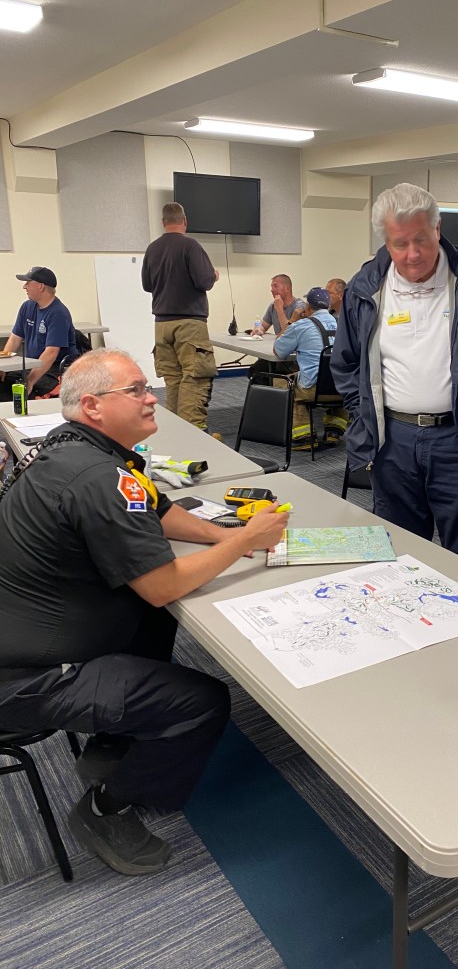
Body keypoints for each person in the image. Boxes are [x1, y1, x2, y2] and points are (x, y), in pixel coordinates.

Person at [0, 349, 289, 876]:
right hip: (25, 679)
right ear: (93, 406)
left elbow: (159, 510)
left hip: (29, 632)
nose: (150, 397)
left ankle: (118, 736)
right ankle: (106, 810)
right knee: (202, 701)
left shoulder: (75, 449)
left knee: (153, 618)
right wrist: (245, 539)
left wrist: (221, 536)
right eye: (134, 390)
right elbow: (162, 585)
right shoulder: (98, 477)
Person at [332, 182, 458, 569]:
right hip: (392, 441)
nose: (413, 254)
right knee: (399, 553)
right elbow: (346, 362)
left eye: (421, 239)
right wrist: (364, 414)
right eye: (400, 243)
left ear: (437, 229)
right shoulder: (365, 287)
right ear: (386, 241)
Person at [141, 202, 219, 430]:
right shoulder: (190, 245)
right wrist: (213, 275)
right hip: (189, 324)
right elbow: (204, 281)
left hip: (162, 325)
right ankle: (194, 433)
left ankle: (176, 432)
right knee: (194, 378)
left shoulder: (152, 248)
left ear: (163, 222)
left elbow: (147, 285)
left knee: (173, 380)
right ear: (184, 220)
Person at [273, 287, 348, 448]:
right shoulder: (343, 324)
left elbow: (278, 350)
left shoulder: (302, 326)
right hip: (342, 387)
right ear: (328, 305)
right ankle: (334, 430)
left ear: (308, 306)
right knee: (331, 375)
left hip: (314, 389)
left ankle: (303, 436)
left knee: (283, 383)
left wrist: (292, 321)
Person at [0, 267, 79, 400]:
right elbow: (14, 339)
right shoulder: (27, 307)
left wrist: (30, 381)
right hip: (33, 365)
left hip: (55, 370)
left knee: (21, 392)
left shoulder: (58, 313)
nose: (24, 287)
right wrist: (3, 368)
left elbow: (51, 353)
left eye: (28, 283)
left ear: (41, 286)